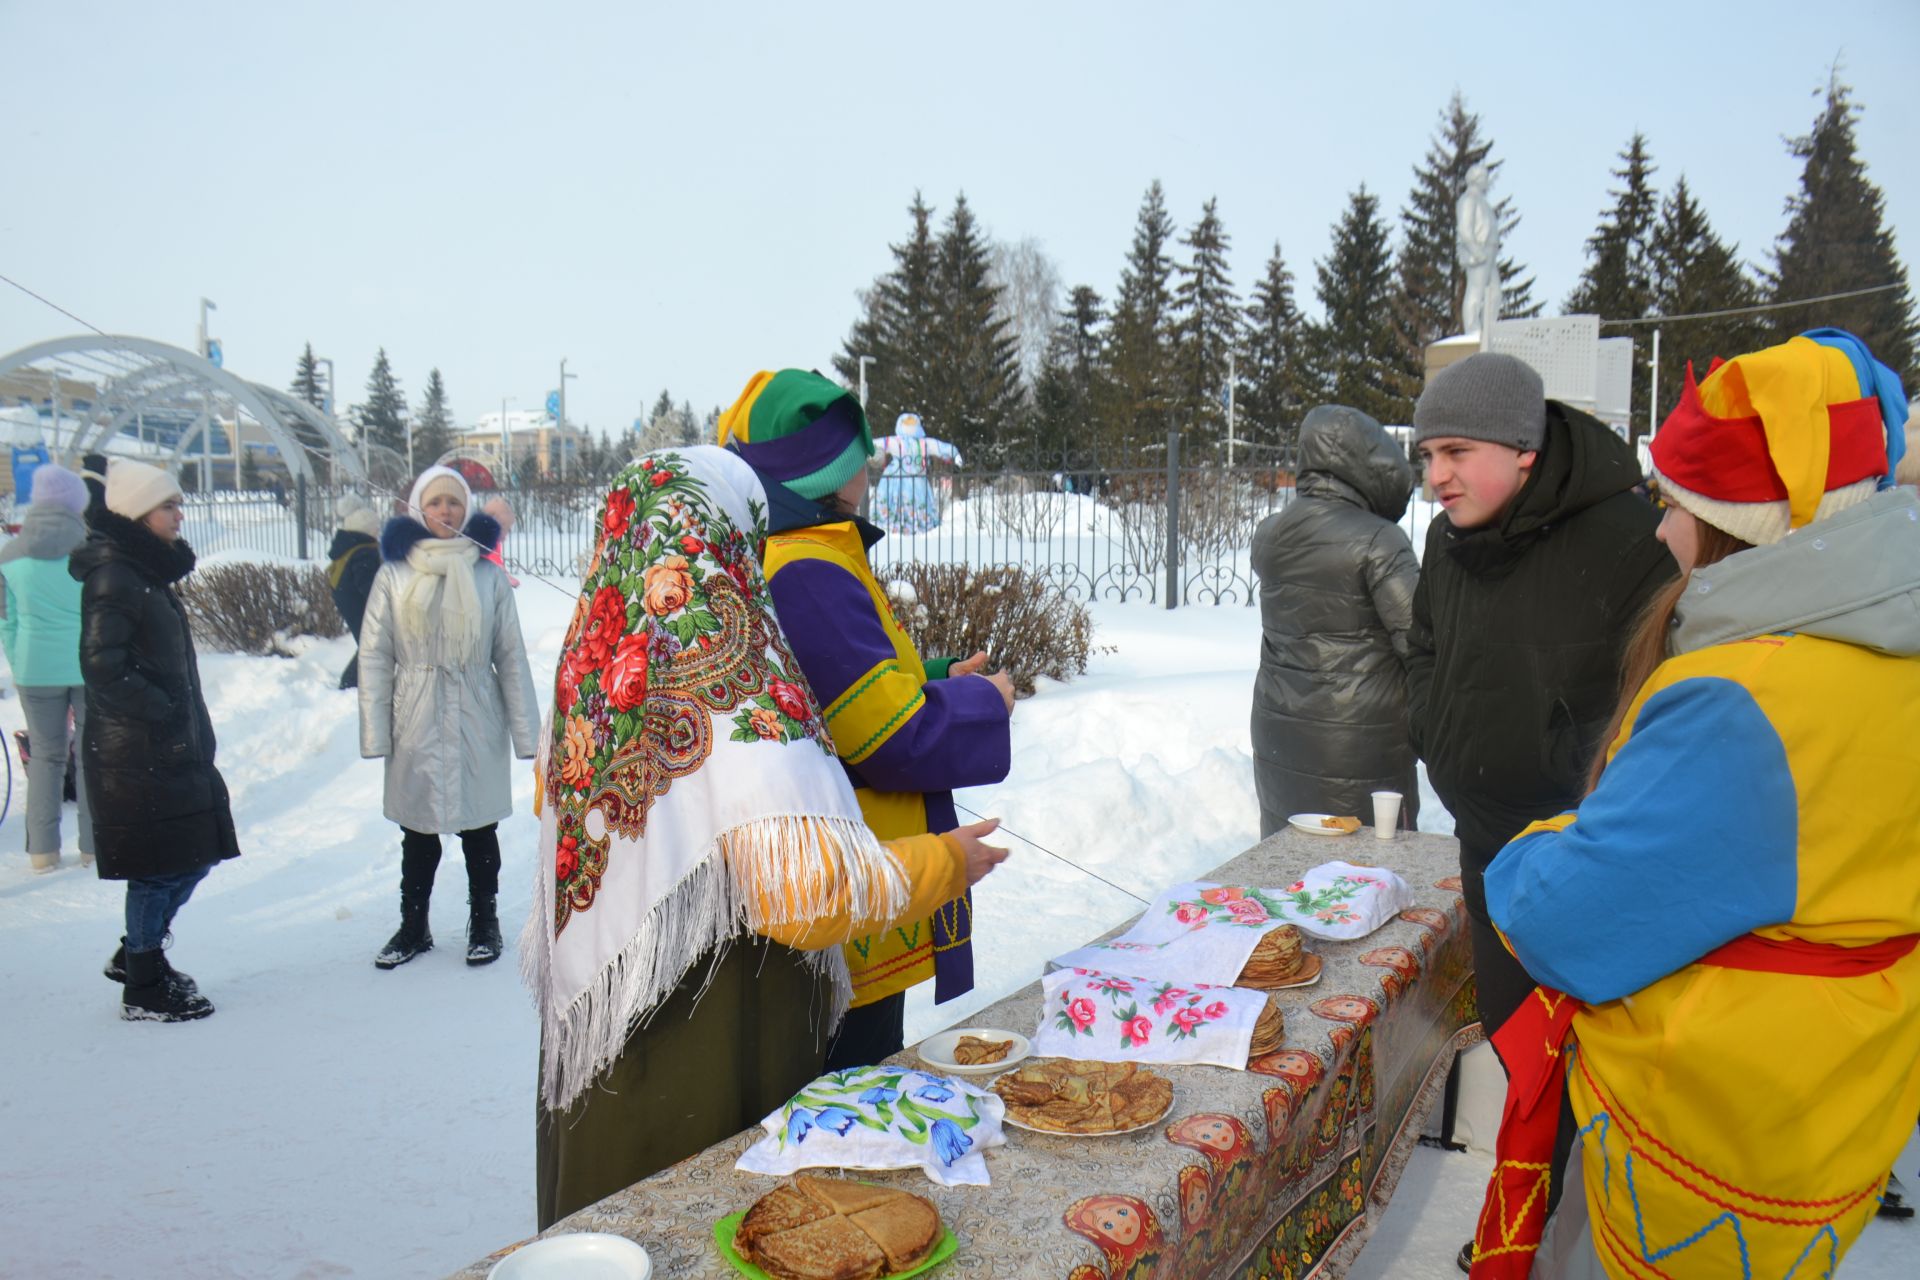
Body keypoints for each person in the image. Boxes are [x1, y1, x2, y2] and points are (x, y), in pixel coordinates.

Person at [1473, 330, 1920, 1279]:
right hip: (1830, 1117)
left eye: (1673, 502)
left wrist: (1537, 847)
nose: (1662, 531)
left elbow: (1566, 921)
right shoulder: (1891, 663)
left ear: (1737, 524)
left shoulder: (1746, 701)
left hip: (1701, 1146)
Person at [529, 445, 1008, 1226]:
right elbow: (805, 897)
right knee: (706, 1228)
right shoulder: (740, 677)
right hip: (708, 1050)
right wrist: (945, 863)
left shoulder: (592, 667)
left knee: (613, 1230)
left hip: (601, 1054)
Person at [1404, 353, 1676, 1271]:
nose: (1435, 475)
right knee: (1524, 1061)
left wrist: (1582, 779)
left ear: (1523, 451)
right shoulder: (1447, 539)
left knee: (1603, 1078)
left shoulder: (1627, 537)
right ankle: (1525, 1227)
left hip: (1589, 861)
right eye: (1425, 454)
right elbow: (1425, 647)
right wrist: (1433, 730)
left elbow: (1660, 689)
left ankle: (1609, 1245)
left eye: (1455, 451)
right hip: (1488, 848)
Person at [718, 370, 1014, 1070]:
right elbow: (885, 736)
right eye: (858, 459)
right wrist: (987, 702)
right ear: (827, 469)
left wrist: (936, 678)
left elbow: (837, 692)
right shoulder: (808, 567)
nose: (871, 472)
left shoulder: (793, 551)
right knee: (854, 1083)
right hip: (852, 890)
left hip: (846, 877)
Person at [72, 459, 239, 1022]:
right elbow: (101, 665)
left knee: (194, 853)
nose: (179, 514)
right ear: (139, 513)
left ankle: (137, 951)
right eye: (168, 505)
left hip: (163, 746)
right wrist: (163, 711)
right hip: (136, 751)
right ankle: (142, 983)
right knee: (159, 865)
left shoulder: (142, 569)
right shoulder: (115, 574)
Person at [358, 466, 538, 970]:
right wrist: (376, 732)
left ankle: (485, 921)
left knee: (479, 830)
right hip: (414, 718)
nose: (445, 512)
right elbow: (374, 655)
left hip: (476, 712)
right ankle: (412, 925)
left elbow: (511, 655)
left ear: (467, 510)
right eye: (435, 503)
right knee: (417, 833)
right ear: (418, 509)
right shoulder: (393, 575)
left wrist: (529, 735)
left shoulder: (488, 576)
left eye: (454, 503)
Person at [1249, 404, 1420, 836]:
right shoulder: (1379, 540)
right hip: (1360, 743)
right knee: (1365, 870)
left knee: (1288, 857)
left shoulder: (1270, 534)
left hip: (1280, 729)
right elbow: (1422, 641)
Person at [0, 463, 95, 872]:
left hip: (34, 666)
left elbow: (8, 620)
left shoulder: (10, 554)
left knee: (45, 756)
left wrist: (19, 659)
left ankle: (42, 851)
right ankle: (94, 846)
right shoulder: (92, 548)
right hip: (89, 663)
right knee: (93, 754)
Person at [870, 411, 962, 534]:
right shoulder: (895, 441)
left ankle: (917, 522)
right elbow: (875, 444)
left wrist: (954, 454)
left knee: (918, 498)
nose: (910, 426)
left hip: (914, 477)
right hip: (899, 476)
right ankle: (892, 521)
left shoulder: (923, 443)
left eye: (912, 423)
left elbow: (939, 447)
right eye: (907, 423)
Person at [326, 499, 382, 690]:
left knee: (368, 644)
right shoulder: (364, 553)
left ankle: (353, 682)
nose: (378, 533)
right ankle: (350, 683)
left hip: (348, 600)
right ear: (367, 530)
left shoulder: (349, 547)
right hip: (358, 604)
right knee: (371, 644)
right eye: (376, 529)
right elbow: (369, 585)